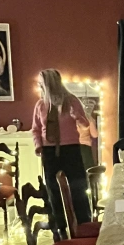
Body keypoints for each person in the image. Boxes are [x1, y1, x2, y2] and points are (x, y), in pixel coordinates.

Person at [32, 69, 92, 236]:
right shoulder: (41, 105)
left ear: (50, 84)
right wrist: (38, 146)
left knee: (78, 186)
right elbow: (35, 129)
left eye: (42, 83)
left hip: (70, 149)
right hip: (49, 151)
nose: (40, 86)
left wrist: (76, 115)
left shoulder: (71, 100)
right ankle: (60, 227)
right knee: (53, 189)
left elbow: (85, 124)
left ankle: (84, 223)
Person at [77, 97, 98, 171]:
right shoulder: (89, 119)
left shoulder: (75, 118)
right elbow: (95, 134)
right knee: (88, 168)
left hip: (75, 146)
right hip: (86, 146)